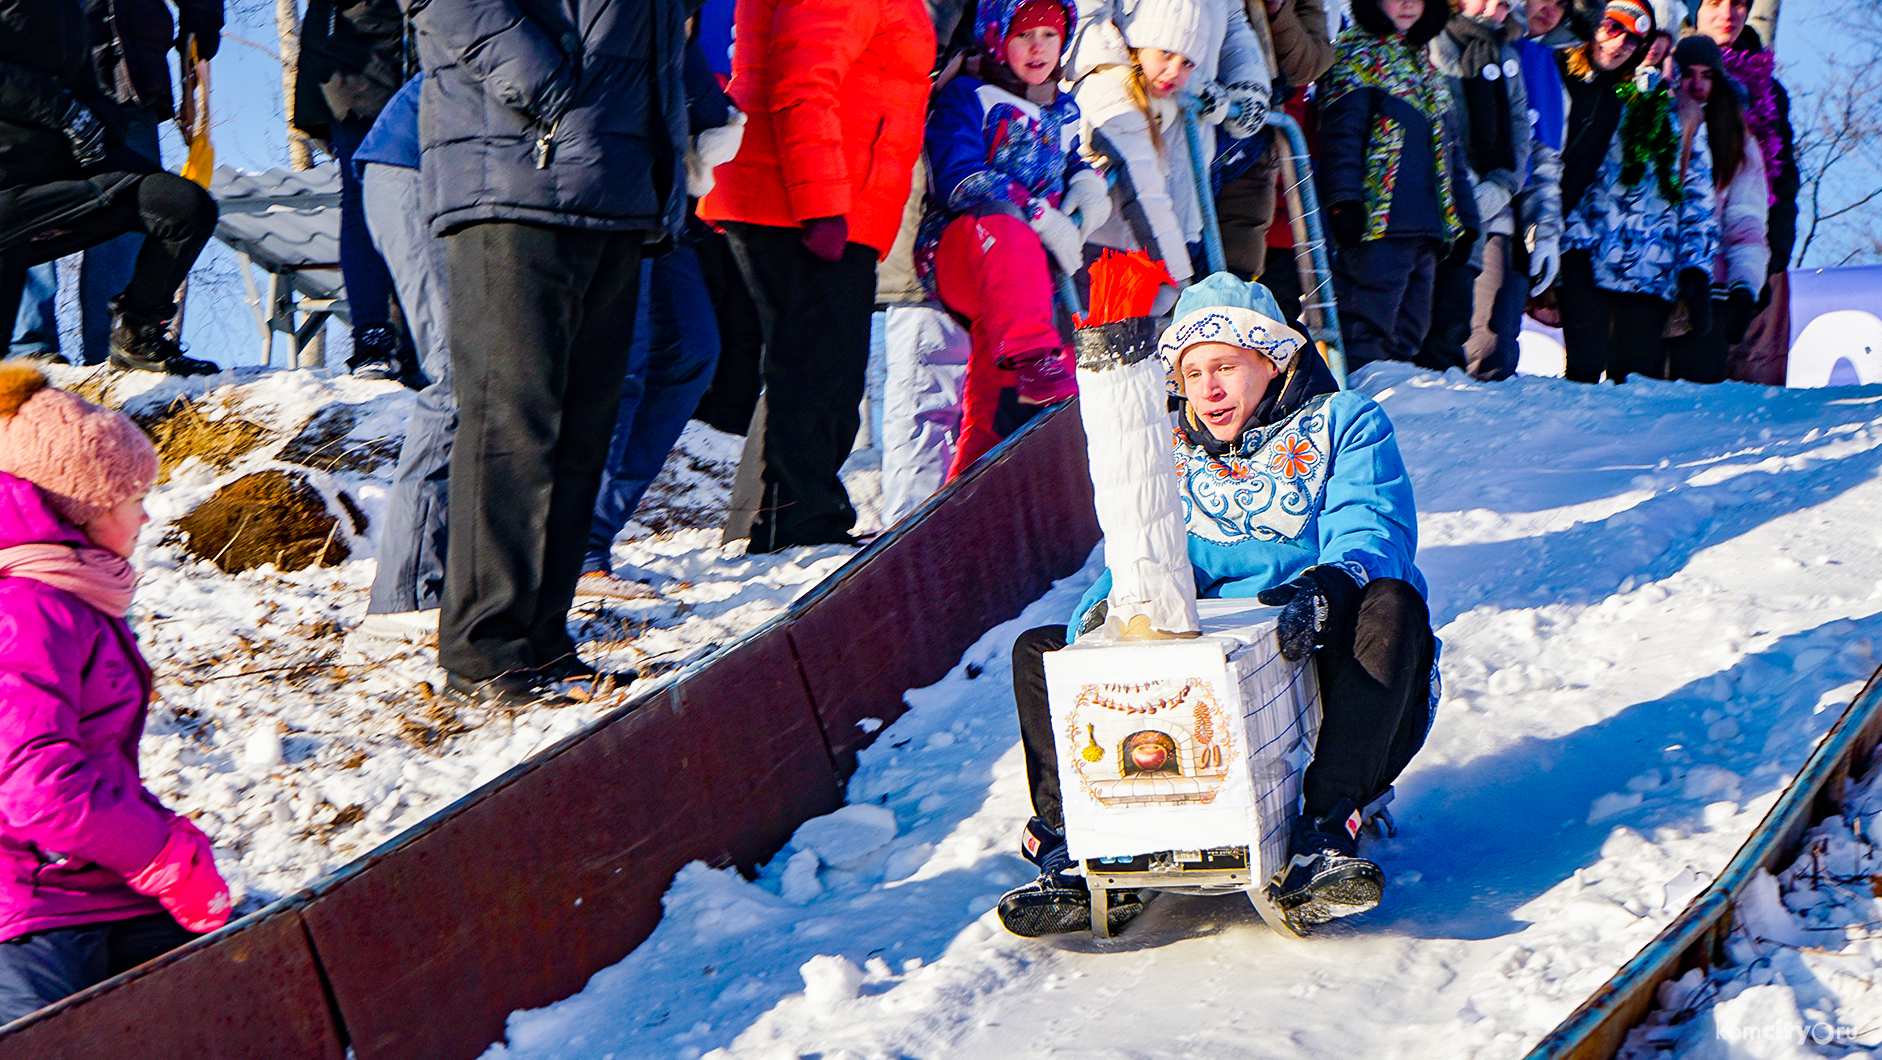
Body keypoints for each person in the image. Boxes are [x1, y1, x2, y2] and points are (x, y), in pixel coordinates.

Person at [996, 274, 1436, 938]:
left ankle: (1325, 828)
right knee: (1042, 650)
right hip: (1215, 666)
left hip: (1331, 650)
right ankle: (1072, 843)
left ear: (1273, 363)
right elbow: (1135, 556)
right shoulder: (1171, 453)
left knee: (1392, 602)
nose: (1209, 389)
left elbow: (1372, 530)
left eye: (1226, 366)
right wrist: (1098, 620)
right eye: (1194, 373)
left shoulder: (1344, 421)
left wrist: (1326, 589)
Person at [408, 0, 689, 707]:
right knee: (513, 422)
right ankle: (485, 650)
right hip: (513, 169)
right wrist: (548, 89)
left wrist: (677, 141)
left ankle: (542, 640)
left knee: (580, 426)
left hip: (617, 183)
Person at [0, 362, 232, 1023]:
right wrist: (161, 854)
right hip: (31, 904)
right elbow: (36, 787)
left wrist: (167, 840)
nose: (146, 512)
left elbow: (94, 761)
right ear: (90, 506)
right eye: (133, 497)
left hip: (92, 885)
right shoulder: (26, 611)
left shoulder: (74, 600)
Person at [698, 0, 935, 554]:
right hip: (805, 198)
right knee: (821, 369)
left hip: (824, 191)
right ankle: (800, 523)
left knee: (811, 365)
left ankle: (777, 519)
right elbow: (803, 83)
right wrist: (823, 206)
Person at [580, 34, 744, 588]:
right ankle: (577, 555)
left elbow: (699, 86)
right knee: (624, 361)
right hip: (603, 182)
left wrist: (713, 114)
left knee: (693, 350)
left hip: (666, 199)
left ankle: (594, 530)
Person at [915, 0, 1095, 481]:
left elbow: (1070, 160)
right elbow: (959, 177)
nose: (1038, 47)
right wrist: (1037, 213)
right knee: (1008, 229)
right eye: (1022, 36)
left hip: (1024, 282)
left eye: (1050, 36)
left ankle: (974, 475)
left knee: (997, 383)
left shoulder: (1063, 109)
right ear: (998, 39)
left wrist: (1085, 182)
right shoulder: (970, 96)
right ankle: (1036, 359)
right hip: (965, 248)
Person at [0, 0, 218, 376]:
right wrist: (63, 111)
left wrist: (102, 121)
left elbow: (88, 83)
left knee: (186, 208)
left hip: (61, 168)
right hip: (7, 180)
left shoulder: (68, 10)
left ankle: (137, 335)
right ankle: (29, 348)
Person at [1556, 0, 1717, 382]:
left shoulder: (1686, 115)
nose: (1651, 52)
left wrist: (1695, 271)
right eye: (1648, 44)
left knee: (1633, 391)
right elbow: (1578, 176)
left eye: (1662, 45)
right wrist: (1572, 250)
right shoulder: (1606, 94)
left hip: (1651, 275)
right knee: (1583, 375)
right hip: (1591, 263)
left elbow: (1698, 203)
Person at [1317, 0, 1479, 372]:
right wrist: (1343, 201)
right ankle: (1360, 396)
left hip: (1426, 225)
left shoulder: (1422, 61)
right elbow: (1343, 135)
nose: (1408, 3)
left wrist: (1466, 219)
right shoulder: (1355, 53)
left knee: (1411, 329)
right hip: (1378, 220)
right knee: (1366, 321)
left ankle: (1400, 402)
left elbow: (1450, 152)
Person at [1068, 0, 1272, 294]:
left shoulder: (1176, 70)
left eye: (1186, 62)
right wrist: (1127, 74)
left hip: (1185, 161)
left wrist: (1248, 83)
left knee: (1156, 311)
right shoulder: (1113, 93)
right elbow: (1083, 18)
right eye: (1168, 56)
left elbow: (1233, 21)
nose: (1175, 68)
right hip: (1113, 203)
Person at [352, 74, 450, 641]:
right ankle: (405, 592)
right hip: (416, 166)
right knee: (457, 372)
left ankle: (451, 572)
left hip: (456, 169)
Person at [1423, 0, 1560, 381]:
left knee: (1468, 336)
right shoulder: (1431, 38)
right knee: (1416, 328)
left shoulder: (1506, 56)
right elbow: (1436, 127)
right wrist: (1464, 196)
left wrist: (1497, 190)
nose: (1494, 12)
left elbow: (1522, 140)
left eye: (1503, 6)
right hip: (1433, 207)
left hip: (1486, 216)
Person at [294, 0, 410, 380]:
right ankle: (373, 336)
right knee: (363, 199)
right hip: (357, 60)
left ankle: (405, 341)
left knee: (424, 204)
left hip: (415, 53)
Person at [1663, 34, 1764, 384]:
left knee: (1693, 410)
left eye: (1707, 75)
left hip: (1711, 291)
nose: (1696, 84)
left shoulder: (1737, 139)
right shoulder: (1654, 122)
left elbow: (1745, 222)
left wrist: (1743, 287)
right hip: (1648, 281)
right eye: (1688, 73)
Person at [1214, 0, 1336, 281]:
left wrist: (1277, 12)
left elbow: (1309, 64)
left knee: (1234, 277)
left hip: (1255, 152)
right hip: (1189, 129)